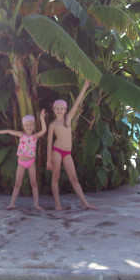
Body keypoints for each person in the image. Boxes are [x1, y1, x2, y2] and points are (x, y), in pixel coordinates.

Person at [47, 80, 96, 210]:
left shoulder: (68, 119)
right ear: (53, 109)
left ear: (65, 110)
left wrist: (84, 87)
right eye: (57, 108)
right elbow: (49, 143)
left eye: (61, 108)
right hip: (56, 150)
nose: (59, 110)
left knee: (74, 178)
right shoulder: (52, 125)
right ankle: (57, 203)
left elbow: (77, 103)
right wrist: (48, 160)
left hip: (67, 153)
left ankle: (84, 203)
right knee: (56, 176)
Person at [0, 110, 46, 210]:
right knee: (17, 184)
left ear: (33, 126)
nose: (28, 127)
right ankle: (12, 203)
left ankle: (36, 204)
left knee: (34, 183)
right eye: (26, 125)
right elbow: (8, 131)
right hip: (21, 163)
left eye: (30, 125)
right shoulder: (21, 135)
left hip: (31, 163)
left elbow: (44, 130)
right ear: (24, 126)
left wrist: (42, 119)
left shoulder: (35, 136)